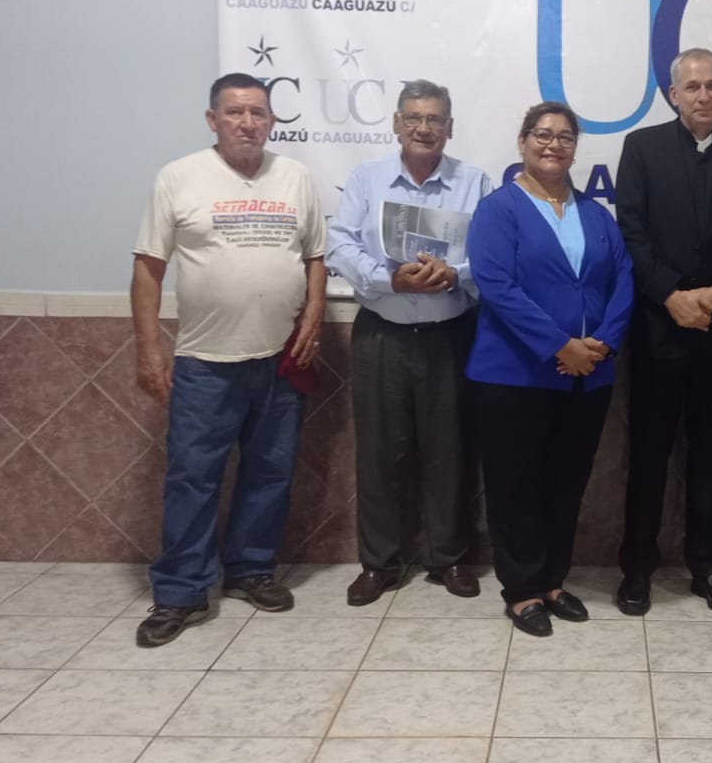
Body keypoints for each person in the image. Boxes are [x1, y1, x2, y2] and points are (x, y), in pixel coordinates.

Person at [131, 73, 326, 647]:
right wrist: (148, 350)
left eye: (258, 113)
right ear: (212, 119)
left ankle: (251, 569)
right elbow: (148, 268)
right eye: (235, 112)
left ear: (272, 120)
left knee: (271, 472)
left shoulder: (295, 177)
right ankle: (181, 592)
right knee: (192, 478)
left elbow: (315, 256)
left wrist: (314, 314)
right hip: (205, 362)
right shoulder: (179, 177)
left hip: (281, 358)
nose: (248, 123)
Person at [613, 48, 712, 617]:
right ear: (673, 94)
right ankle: (637, 567)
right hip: (660, 331)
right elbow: (630, 232)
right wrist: (671, 295)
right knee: (649, 456)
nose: (703, 95)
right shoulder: (642, 147)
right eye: (692, 86)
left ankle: (708, 565)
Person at [465, 102, 634, 637]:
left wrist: (604, 342)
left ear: (575, 149)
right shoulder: (498, 210)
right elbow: (497, 286)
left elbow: (623, 279)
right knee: (514, 485)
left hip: (588, 376)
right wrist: (559, 345)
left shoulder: (595, 215)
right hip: (514, 374)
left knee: (566, 483)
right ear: (522, 142)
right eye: (542, 134)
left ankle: (553, 580)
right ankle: (522, 590)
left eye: (564, 137)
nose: (553, 144)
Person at [325, 80, 493, 606]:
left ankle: (449, 558)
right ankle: (380, 563)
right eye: (414, 118)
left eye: (435, 119)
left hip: (450, 336)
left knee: (451, 452)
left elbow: (492, 254)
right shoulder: (367, 178)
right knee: (380, 454)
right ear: (397, 123)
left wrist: (455, 273)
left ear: (450, 127)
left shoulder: (474, 181)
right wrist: (388, 279)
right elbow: (340, 244)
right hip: (383, 333)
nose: (424, 128)